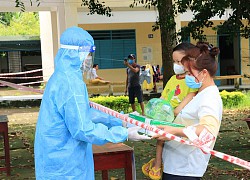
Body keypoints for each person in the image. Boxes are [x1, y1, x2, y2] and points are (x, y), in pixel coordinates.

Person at [34, 27, 150, 179]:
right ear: (76, 53)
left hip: (57, 156)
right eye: (88, 53)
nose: (89, 58)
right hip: (65, 164)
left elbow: (83, 113)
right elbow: (83, 129)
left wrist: (119, 120)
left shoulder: (63, 76)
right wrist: (123, 133)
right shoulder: (70, 83)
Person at [154, 42, 222, 180]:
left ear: (203, 73)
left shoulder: (210, 97)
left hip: (185, 170)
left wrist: (173, 131)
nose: (186, 77)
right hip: (174, 165)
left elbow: (208, 131)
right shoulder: (199, 94)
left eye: (189, 73)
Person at [142, 42, 198, 180]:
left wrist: (177, 110)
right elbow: (164, 96)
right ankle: (157, 162)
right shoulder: (173, 79)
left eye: (179, 61)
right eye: (175, 62)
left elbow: (191, 95)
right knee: (160, 138)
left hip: (178, 116)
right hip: (166, 114)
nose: (177, 65)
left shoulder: (191, 80)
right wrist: (158, 108)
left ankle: (156, 163)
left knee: (165, 139)